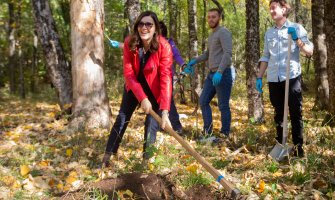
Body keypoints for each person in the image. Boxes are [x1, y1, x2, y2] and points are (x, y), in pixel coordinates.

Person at [102, 11, 173, 167]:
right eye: (141, 24)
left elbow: (166, 78)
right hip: (133, 87)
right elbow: (129, 74)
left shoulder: (164, 46)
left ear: (155, 29)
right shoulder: (130, 43)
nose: (144, 27)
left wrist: (165, 111)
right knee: (122, 118)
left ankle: (146, 162)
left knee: (151, 123)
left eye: (149, 24)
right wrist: (142, 98)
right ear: (137, 27)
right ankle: (108, 157)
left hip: (154, 90)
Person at [256, 0, 313, 157]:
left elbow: (309, 51)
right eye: (270, 9)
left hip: (292, 77)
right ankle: (281, 145)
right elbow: (266, 56)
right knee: (279, 113)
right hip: (274, 78)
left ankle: (298, 147)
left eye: (274, 8)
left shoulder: (296, 28)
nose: (272, 11)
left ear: (284, 9)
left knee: (295, 112)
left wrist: (297, 40)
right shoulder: (269, 33)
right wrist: (259, 77)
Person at [107, 21, 185, 133]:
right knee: (126, 116)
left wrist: (183, 64)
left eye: (151, 26)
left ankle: (175, 127)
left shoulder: (167, 43)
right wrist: (119, 44)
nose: (146, 29)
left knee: (167, 102)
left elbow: (176, 55)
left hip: (164, 80)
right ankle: (167, 124)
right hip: (145, 82)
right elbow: (134, 48)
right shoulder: (144, 42)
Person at [183, 8, 235, 139]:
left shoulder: (223, 32)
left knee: (223, 105)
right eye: (209, 17)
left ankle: (225, 134)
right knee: (203, 101)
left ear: (219, 18)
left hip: (222, 73)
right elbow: (207, 54)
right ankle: (208, 132)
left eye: (214, 17)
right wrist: (194, 61)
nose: (211, 19)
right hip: (211, 74)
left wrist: (220, 72)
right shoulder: (212, 35)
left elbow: (228, 54)